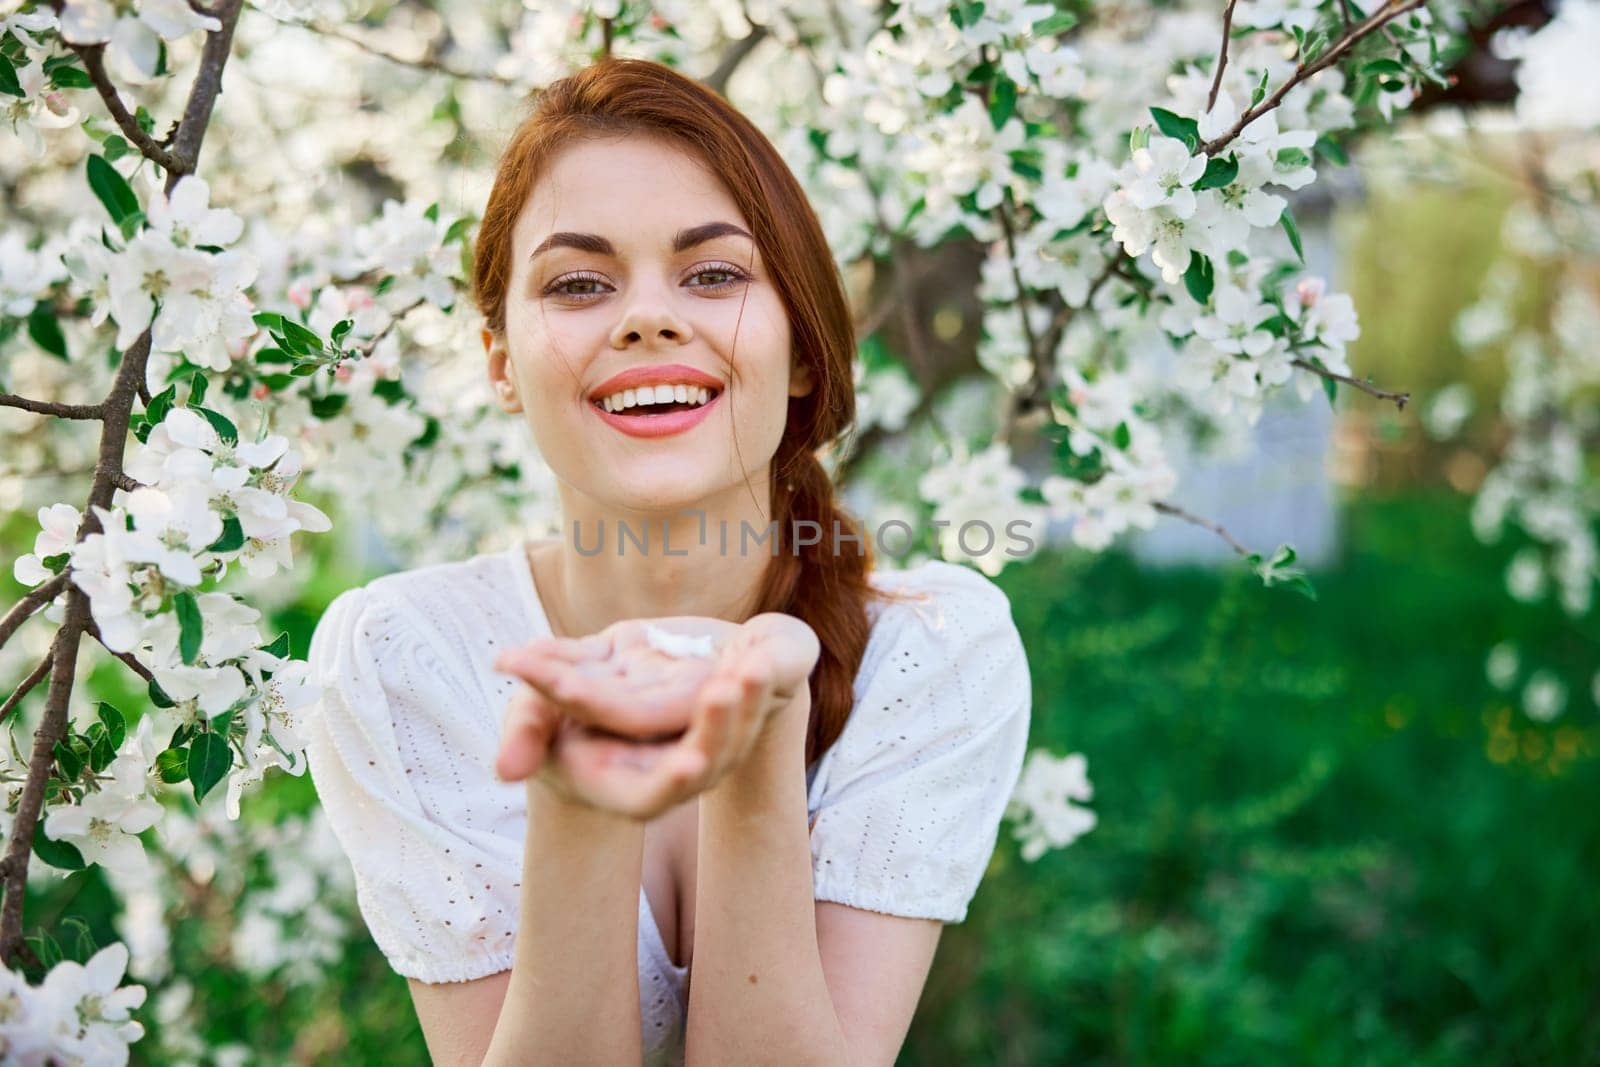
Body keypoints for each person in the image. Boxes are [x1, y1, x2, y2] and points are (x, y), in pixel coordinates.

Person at [303, 55, 1032, 1066]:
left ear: (804, 350)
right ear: (502, 363)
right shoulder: (404, 659)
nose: (647, 317)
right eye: (578, 284)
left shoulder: (933, 649)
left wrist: (764, 741)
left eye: (714, 273)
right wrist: (574, 798)